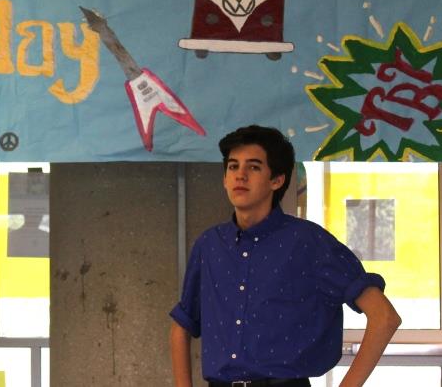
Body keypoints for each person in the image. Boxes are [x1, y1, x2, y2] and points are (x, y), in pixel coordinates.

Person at [169, 125, 400, 387]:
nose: (240, 176)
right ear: (224, 178)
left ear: (277, 180)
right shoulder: (209, 245)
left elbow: (384, 317)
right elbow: (182, 325)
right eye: (233, 167)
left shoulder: (308, 243)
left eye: (253, 167)